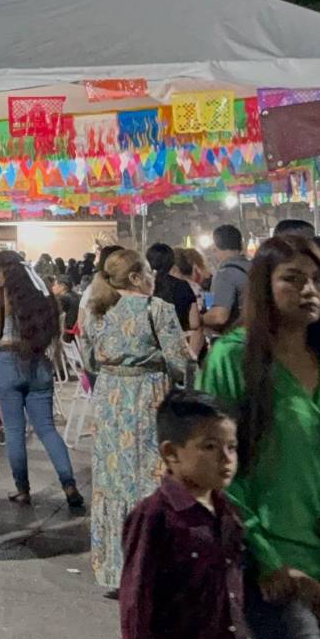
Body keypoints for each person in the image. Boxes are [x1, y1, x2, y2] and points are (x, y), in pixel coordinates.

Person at [201, 235, 320, 639]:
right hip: (270, 560)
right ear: (264, 285)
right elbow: (216, 470)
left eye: (318, 280)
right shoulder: (234, 359)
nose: (309, 290)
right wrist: (265, 558)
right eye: (293, 278)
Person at [84, 247, 192, 590]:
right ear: (134, 276)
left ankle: (116, 569)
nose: (153, 276)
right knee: (150, 479)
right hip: (148, 401)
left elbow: (88, 361)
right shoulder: (157, 310)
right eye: (147, 271)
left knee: (113, 479)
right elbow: (181, 363)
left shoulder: (97, 310)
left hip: (109, 402)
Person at [118, 390, 248, 639]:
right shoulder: (154, 517)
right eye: (210, 447)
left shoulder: (228, 512)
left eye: (232, 447)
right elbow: (136, 611)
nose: (226, 459)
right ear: (171, 453)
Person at [0, 251, 86, 510]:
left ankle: (23, 489)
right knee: (47, 429)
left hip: (9, 361)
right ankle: (69, 484)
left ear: (1, 271)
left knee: (15, 431)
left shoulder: (1, 294)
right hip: (39, 362)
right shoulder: (43, 294)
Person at [148, 242, 203, 365]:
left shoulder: (144, 287)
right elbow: (195, 323)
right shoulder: (183, 286)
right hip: (178, 348)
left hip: (150, 350)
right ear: (172, 262)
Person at [201, 224, 251, 336]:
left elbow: (219, 317)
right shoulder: (255, 267)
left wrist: (199, 319)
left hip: (237, 339)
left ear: (215, 247)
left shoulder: (225, 274)